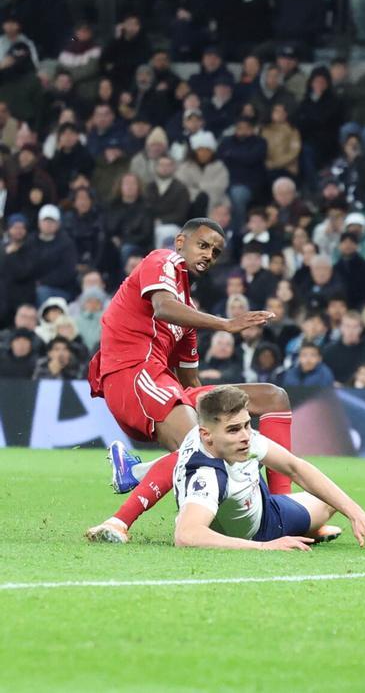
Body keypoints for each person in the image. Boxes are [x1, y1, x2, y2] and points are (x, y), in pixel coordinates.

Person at [84, 218, 294, 545]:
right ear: (180, 242)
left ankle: (286, 507)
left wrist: (217, 415)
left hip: (162, 384)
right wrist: (226, 324)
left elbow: (190, 381)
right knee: (201, 443)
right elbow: (162, 307)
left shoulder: (188, 311)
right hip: (131, 374)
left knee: (272, 396)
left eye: (216, 251)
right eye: (203, 245)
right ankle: (118, 522)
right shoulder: (161, 260)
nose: (209, 254)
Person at [171, 386, 365, 550]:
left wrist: (357, 515)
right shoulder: (207, 476)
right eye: (233, 429)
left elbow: (295, 468)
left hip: (261, 500)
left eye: (248, 424)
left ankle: (309, 529)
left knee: (333, 501)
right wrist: (266, 547)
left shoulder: (233, 438)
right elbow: (186, 535)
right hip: (264, 528)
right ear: (206, 435)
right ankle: (302, 531)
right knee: (326, 505)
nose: (246, 436)